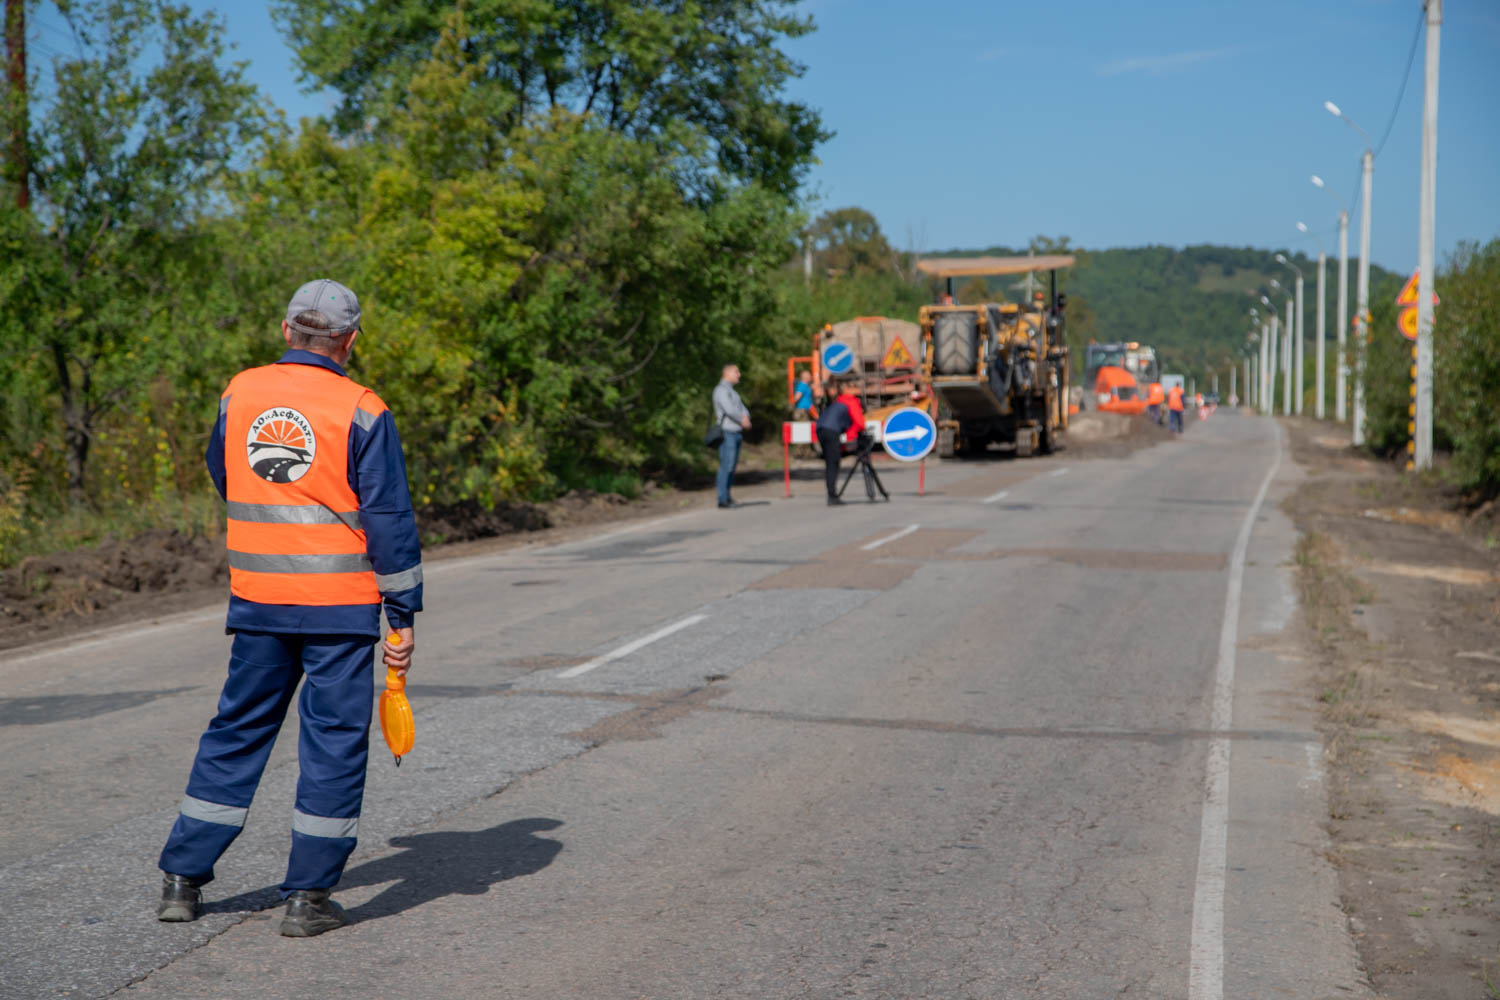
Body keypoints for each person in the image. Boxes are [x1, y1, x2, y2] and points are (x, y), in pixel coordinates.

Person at [156, 279, 423, 938]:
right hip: (338, 608)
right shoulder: (363, 408)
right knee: (331, 747)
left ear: (286, 331)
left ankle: (182, 881)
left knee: (236, 732)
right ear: (349, 342)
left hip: (259, 601)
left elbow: (225, 472)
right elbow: (387, 516)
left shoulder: (239, 392)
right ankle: (307, 900)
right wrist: (403, 610)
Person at [815, 378, 866, 505]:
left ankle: (832, 493)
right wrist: (851, 436)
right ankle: (832, 496)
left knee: (830, 462)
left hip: (820, 430)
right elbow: (859, 423)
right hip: (831, 431)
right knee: (833, 463)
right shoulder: (852, 402)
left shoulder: (838, 402)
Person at [712, 364, 751, 509]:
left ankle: (727, 496)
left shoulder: (732, 392)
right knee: (726, 466)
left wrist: (746, 416)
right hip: (727, 432)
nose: (739, 374)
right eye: (736, 372)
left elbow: (742, 408)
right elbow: (729, 409)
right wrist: (742, 420)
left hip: (736, 432)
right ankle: (722, 499)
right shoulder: (721, 390)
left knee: (732, 466)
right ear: (727, 373)